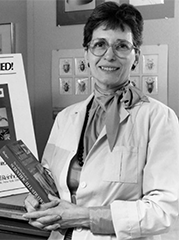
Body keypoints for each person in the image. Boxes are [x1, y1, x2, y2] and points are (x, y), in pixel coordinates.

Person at [23, 1, 179, 239]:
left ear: (136, 56)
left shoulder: (158, 119)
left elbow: (165, 210)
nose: (109, 55)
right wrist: (36, 201)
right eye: (99, 45)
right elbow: (50, 182)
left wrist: (81, 216)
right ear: (86, 53)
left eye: (122, 46)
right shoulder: (66, 118)